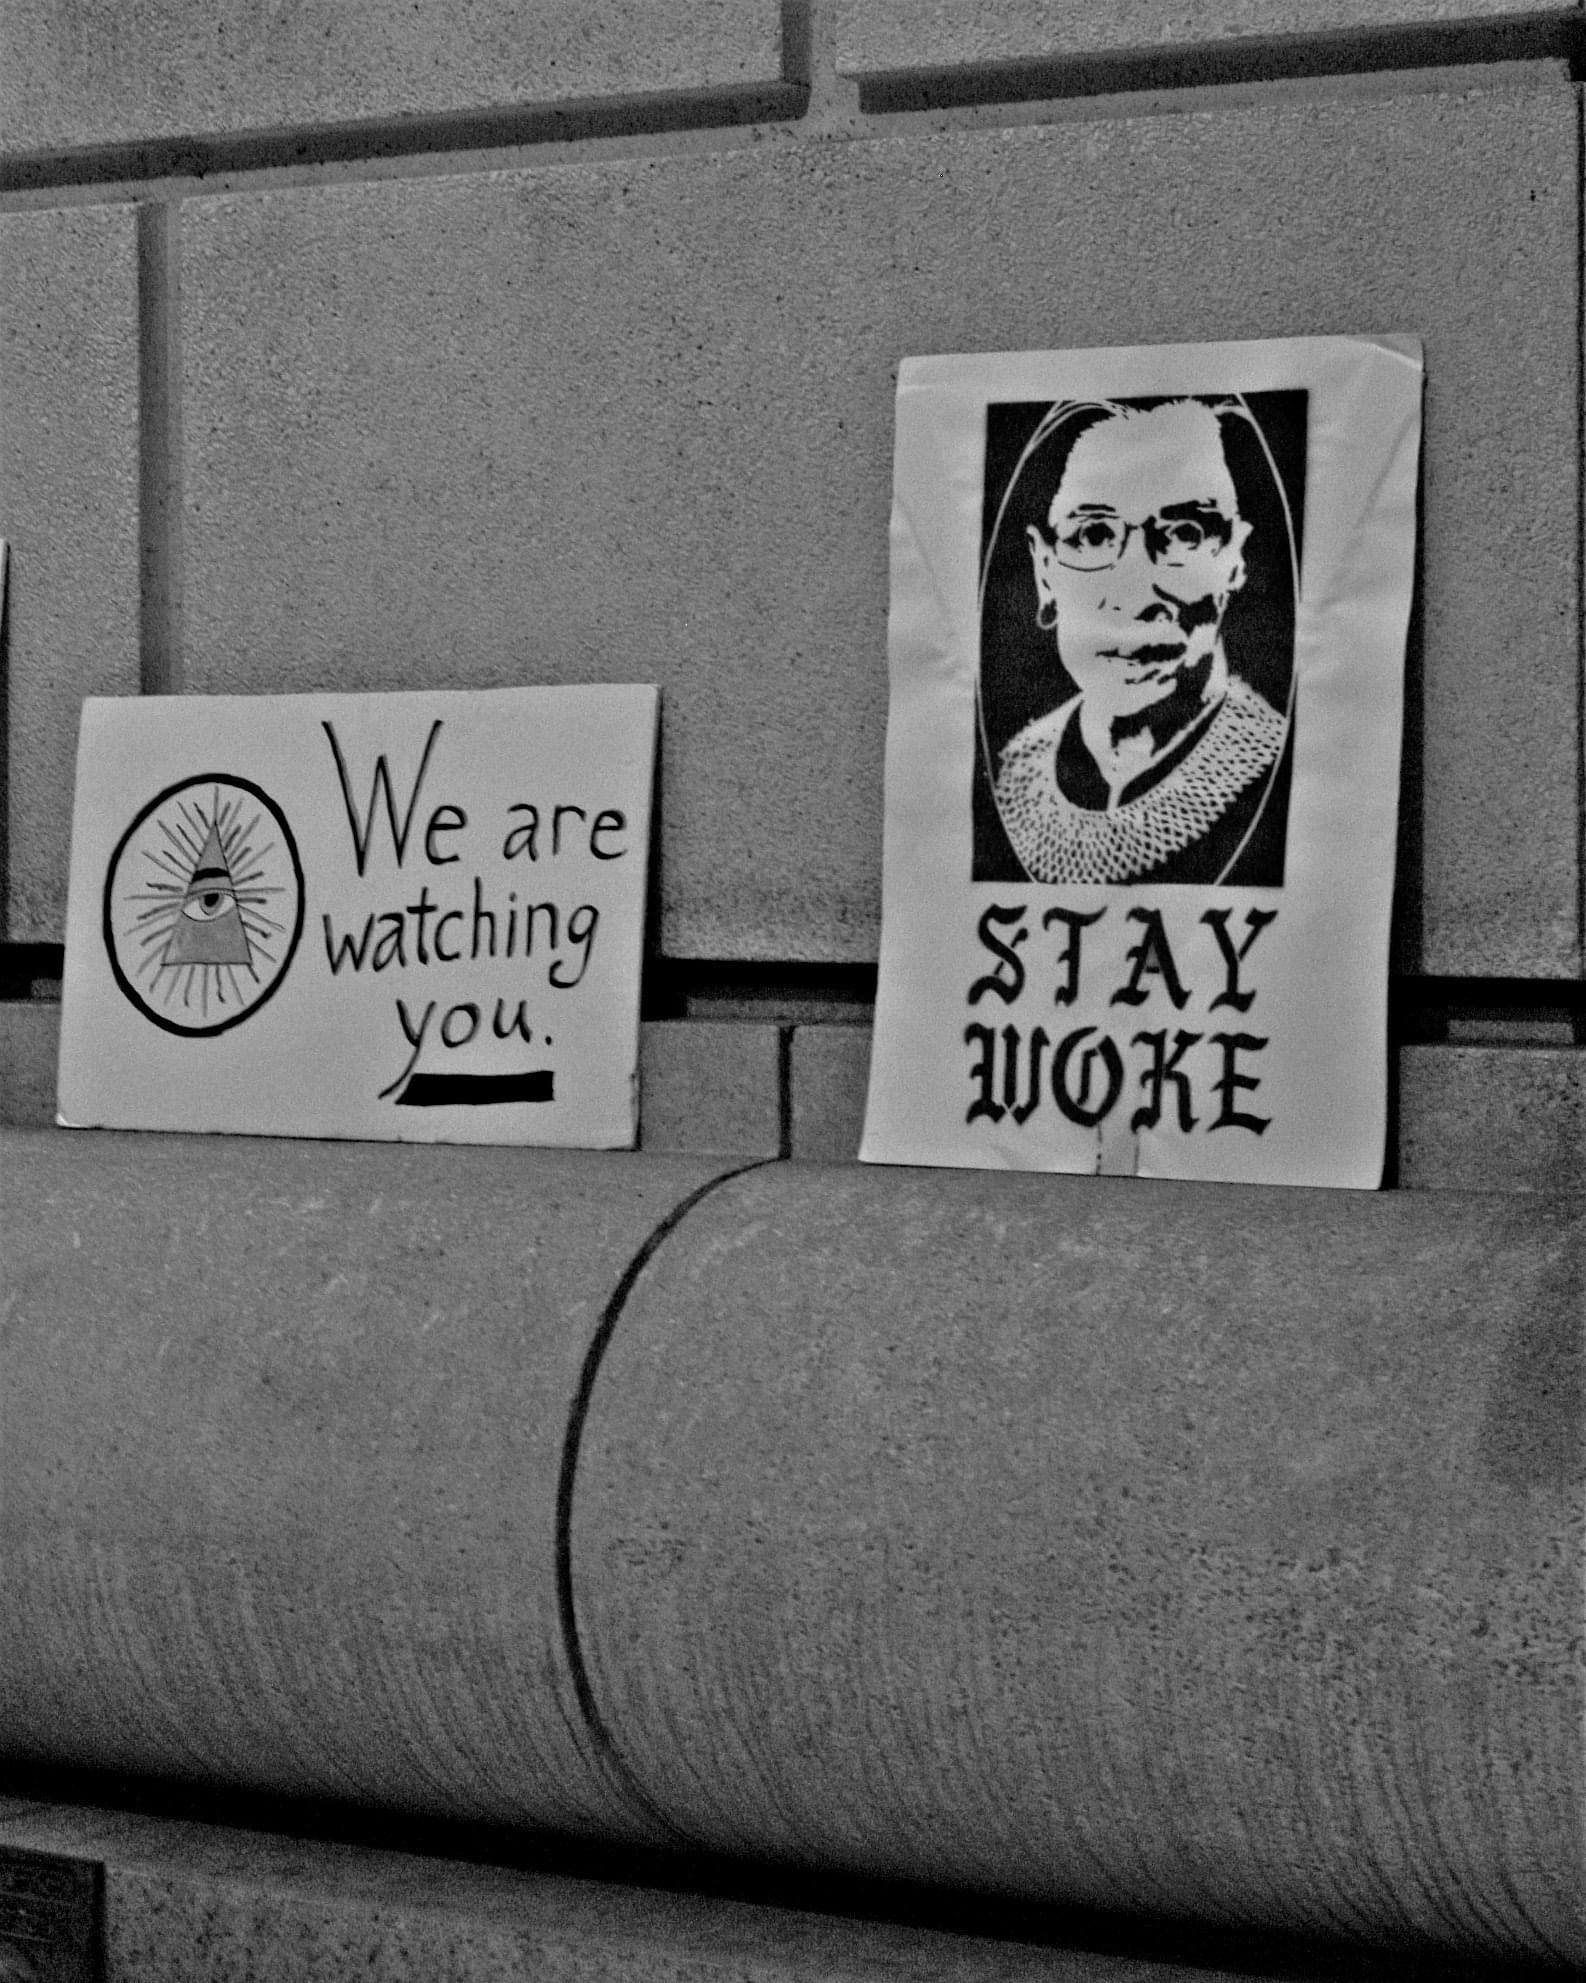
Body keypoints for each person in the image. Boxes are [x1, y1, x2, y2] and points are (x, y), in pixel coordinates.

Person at [987, 397, 1291, 887]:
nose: (1133, 596)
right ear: (1045, 572)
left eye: (1184, 534)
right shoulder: (1010, 775)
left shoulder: (1288, 770)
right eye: (1092, 536)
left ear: (1236, 559)